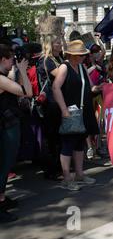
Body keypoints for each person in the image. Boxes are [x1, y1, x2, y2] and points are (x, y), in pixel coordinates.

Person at [52, 40, 102, 191]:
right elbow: (55, 88)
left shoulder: (82, 67)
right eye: (79, 55)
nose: (82, 57)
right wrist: (64, 110)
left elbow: (90, 86)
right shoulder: (64, 67)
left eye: (83, 55)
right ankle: (67, 178)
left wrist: (99, 87)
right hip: (71, 111)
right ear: (72, 55)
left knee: (79, 143)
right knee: (68, 144)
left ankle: (79, 174)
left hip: (83, 110)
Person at [0, 41, 32, 223]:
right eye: (11, 58)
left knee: (5, 165)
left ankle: (3, 200)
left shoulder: (5, 75)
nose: (13, 61)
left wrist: (19, 70)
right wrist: (22, 70)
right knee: (3, 166)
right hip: (5, 126)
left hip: (8, 125)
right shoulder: (1, 78)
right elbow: (27, 92)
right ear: (3, 59)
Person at [37, 34, 65, 180]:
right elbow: (61, 74)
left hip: (57, 102)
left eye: (60, 42)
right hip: (50, 103)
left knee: (58, 136)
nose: (60, 44)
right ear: (50, 45)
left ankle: (59, 167)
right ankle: (51, 170)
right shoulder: (46, 60)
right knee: (52, 137)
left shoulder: (58, 58)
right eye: (57, 43)